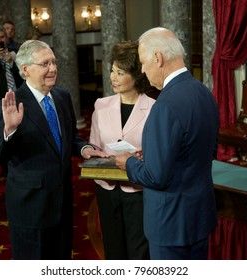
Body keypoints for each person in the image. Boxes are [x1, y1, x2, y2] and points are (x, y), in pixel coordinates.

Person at [0, 40, 107, 260]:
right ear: (25, 70)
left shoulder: (62, 97)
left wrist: (84, 149)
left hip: (61, 202)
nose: (53, 68)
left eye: (54, 62)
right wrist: (10, 130)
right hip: (30, 208)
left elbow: (70, 139)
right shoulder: (11, 104)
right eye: (45, 64)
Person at [116, 27, 219, 260]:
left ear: (157, 58)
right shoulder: (204, 93)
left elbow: (155, 177)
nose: (142, 70)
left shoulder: (165, 105)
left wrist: (129, 162)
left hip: (170, 224)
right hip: (199, 217)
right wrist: (154, 153)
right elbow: (206, 152)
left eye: (143, 62)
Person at [88, 41, 155, 259]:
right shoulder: (101, 105)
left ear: (137, 75)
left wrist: (145, 155)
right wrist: (92, 152)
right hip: (107, 189)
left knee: (139, 252)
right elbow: (95, 145)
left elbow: (159, 153)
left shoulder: (154, 109)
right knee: (113, 251)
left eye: (120, 72)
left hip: (138, 190)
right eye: (112, 71)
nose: (113, 77)